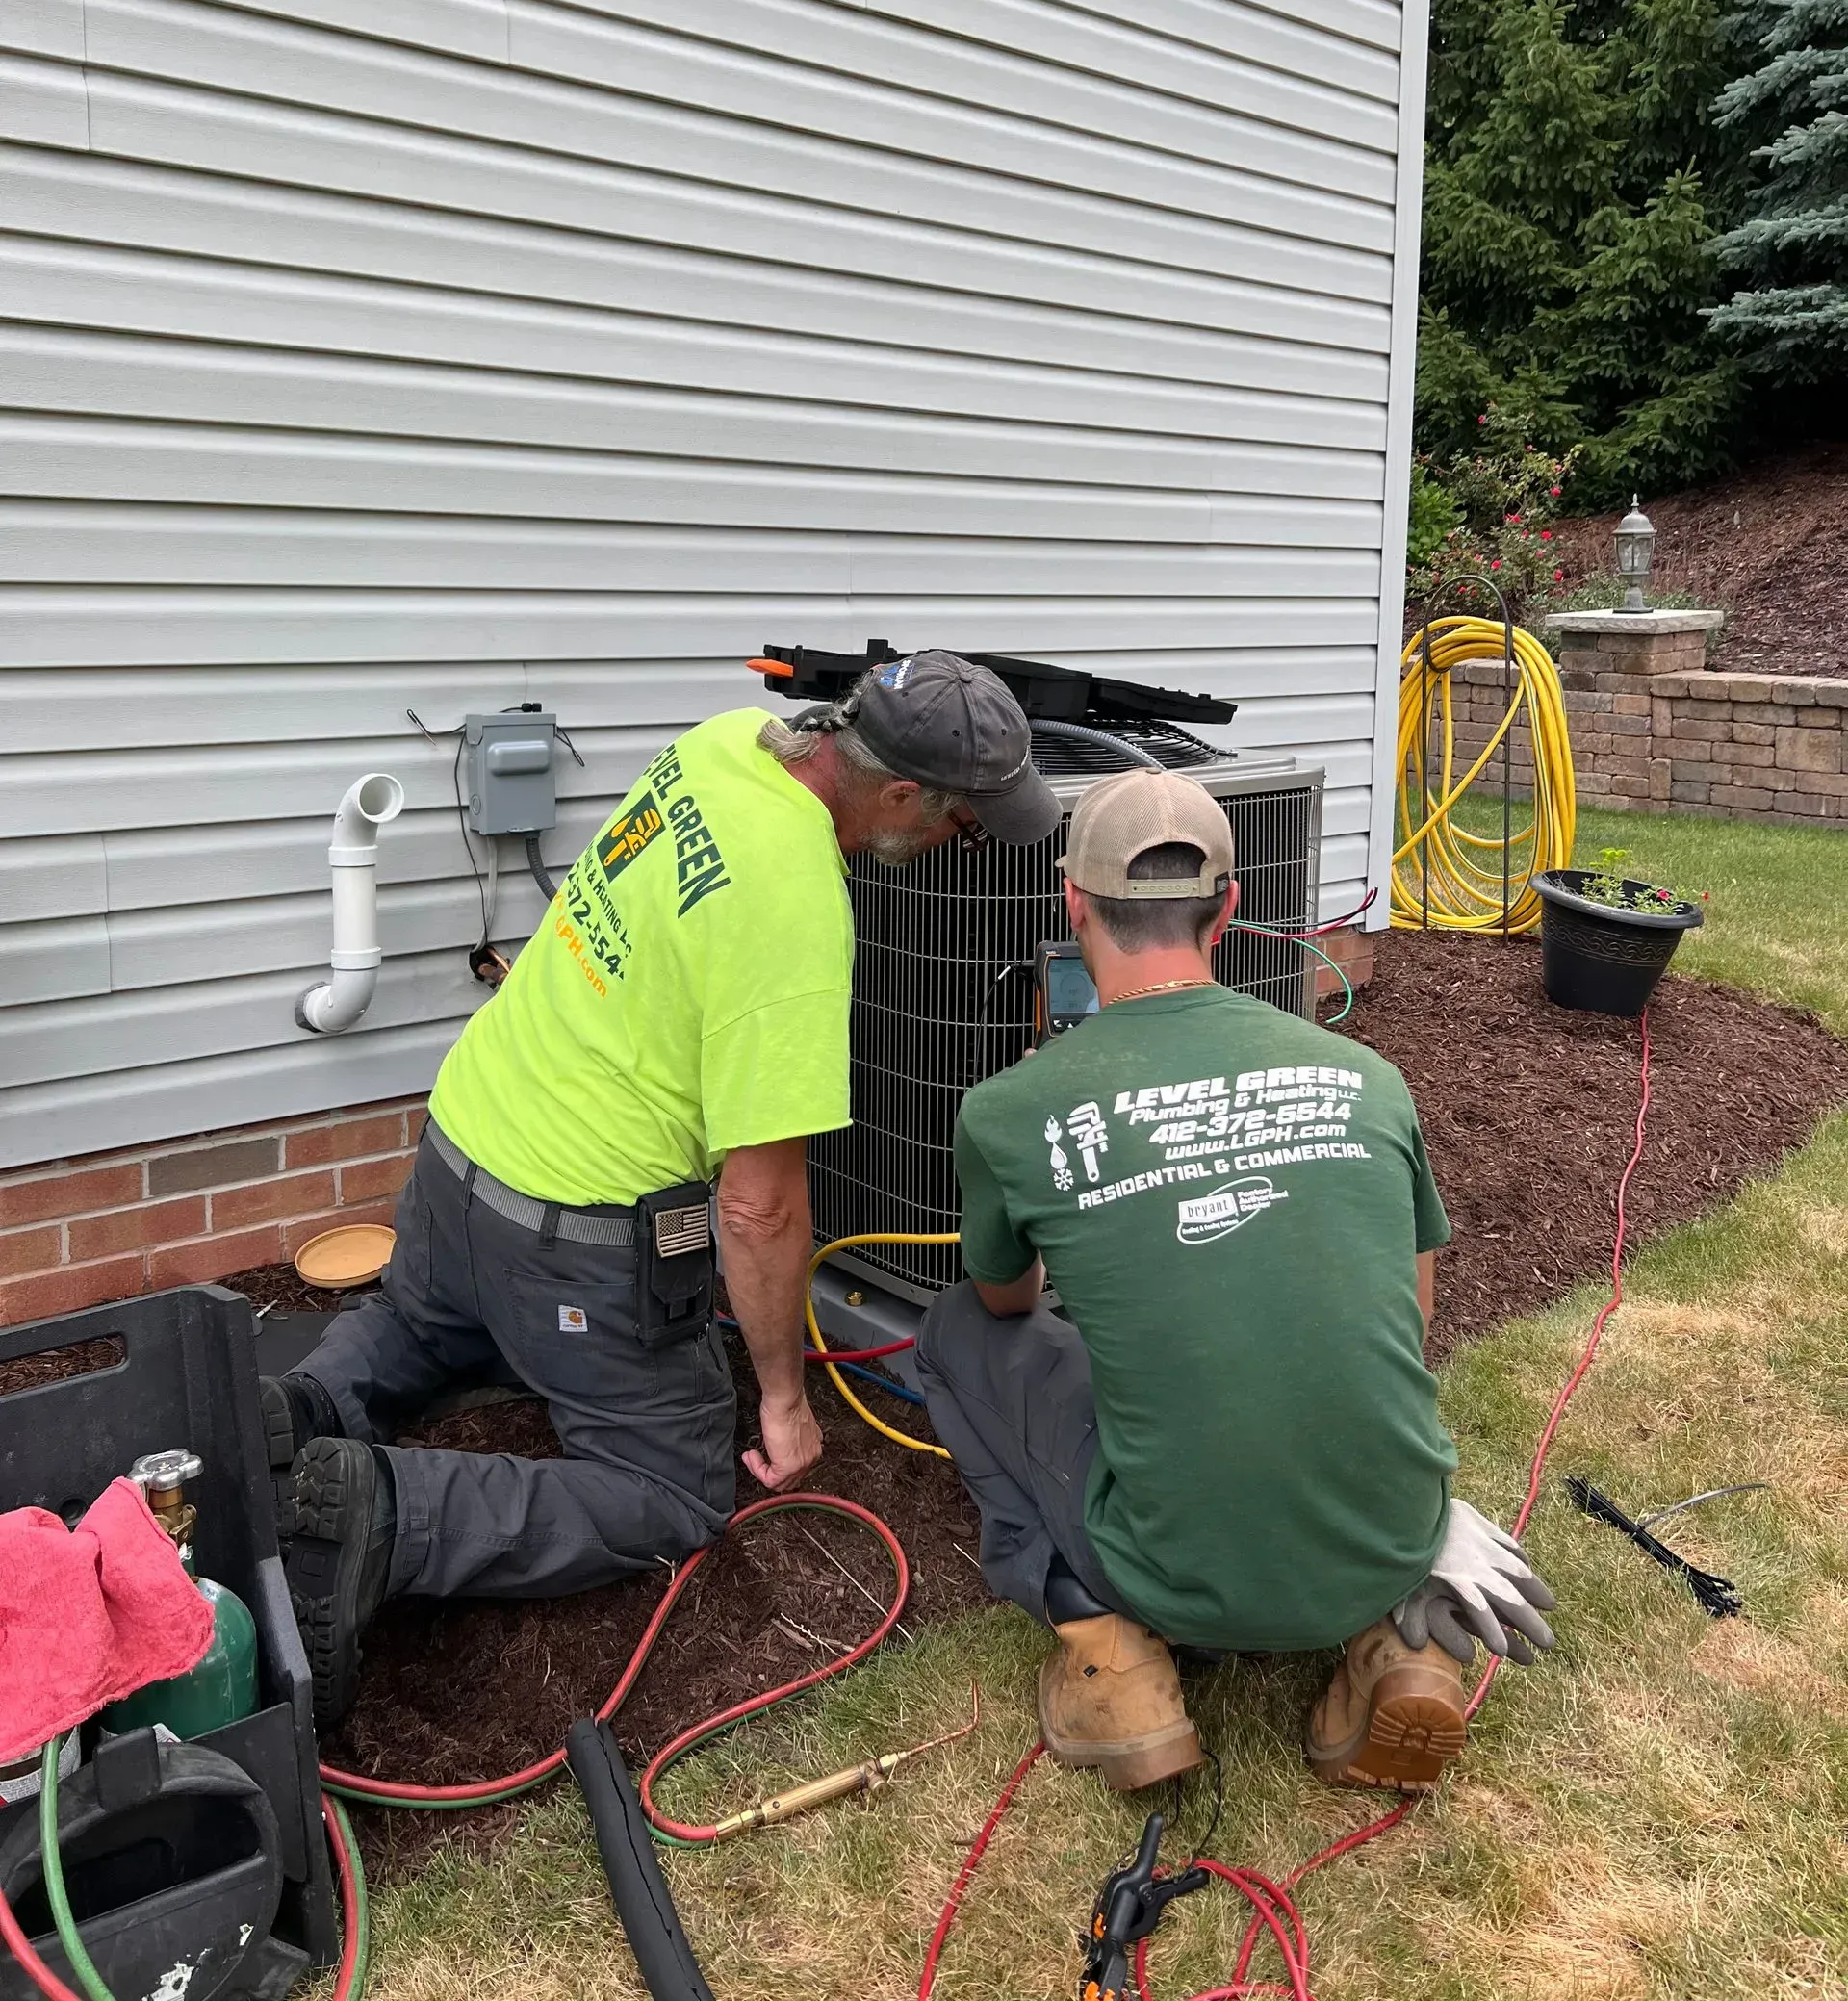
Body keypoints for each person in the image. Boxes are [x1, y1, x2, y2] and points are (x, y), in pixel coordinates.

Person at [264, 653, 1060, 1723]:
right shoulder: (794, 909)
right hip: (571, 1227)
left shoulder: (725, 743)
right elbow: (758, 1207)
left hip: (460, 1144)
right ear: (903, 793)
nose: (954, 846)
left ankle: (299, 1410)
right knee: (669, 1491)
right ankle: (389, 1513)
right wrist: (784, 1400)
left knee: (422, 1318)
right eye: (963, 826)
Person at [914, 767, 1555, 1796]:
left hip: (1174, 1575)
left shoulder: (1013, 1108)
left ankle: (1107, 1651)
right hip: (1391, 1538)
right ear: (1231, 908)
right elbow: (1410, 1316)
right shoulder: (1367, 1078)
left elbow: (1007, 1304)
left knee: (953, 1331)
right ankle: (1395, 1644)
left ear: (1072, 900)